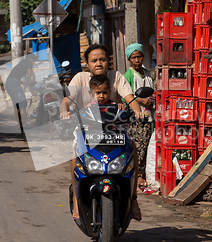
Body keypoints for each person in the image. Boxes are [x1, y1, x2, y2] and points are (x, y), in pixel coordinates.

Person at [59, 44, 143, 222]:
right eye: (94, 60)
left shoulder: (116, 77)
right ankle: (76, 199)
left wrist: (137, 111)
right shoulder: (80, 78)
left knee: (132, 149)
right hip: (86, 131)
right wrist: (64, 112)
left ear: (108, 62)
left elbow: (130, 99)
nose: (99, 63)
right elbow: (67, 100)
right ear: (87, 64)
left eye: (102, 59)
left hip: (116, 131)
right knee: (76, 153)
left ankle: (133, 198)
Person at [123, 43, 155, 188]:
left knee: (146, 146)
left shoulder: (147, 73)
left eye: (139, 56)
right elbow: (125, 96)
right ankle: (136, 176)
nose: (137, 60)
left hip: (148, 116)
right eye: (134, 57)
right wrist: (140, 100)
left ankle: (141, 174)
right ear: (129, 59)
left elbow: (153, 91)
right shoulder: (128, 75)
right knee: (138, 148)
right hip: (135, 118)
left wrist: (151, 101)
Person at [4, 53, 37, 133]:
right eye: (34, 61)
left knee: (17, 105)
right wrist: (32, 90)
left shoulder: (21, 63)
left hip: (8, 83)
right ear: (31, 59)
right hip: (14, 83)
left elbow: (16, 79)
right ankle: (24, 125)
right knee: (22, 104)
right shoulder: (29, 64)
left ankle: (20, 124)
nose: (34, 63)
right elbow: (29, 79)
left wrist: (27, 84)